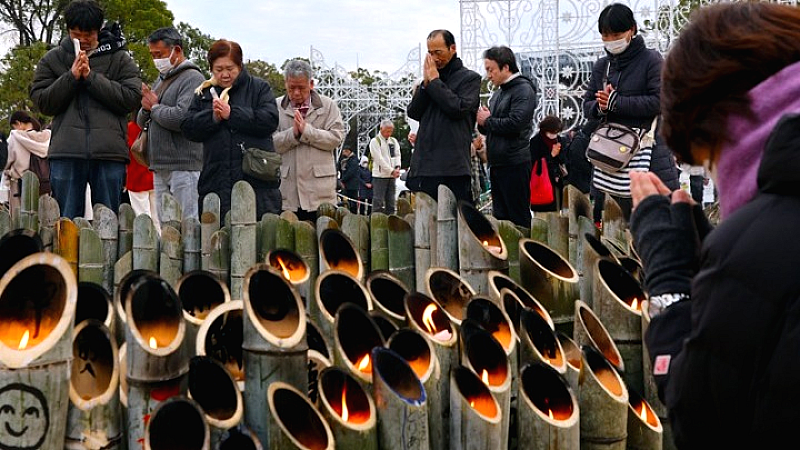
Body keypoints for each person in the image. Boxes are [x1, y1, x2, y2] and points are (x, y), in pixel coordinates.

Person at [629, 3, 800, 448]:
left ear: (725, 119)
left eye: (708, 157)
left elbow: (704, 419)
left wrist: (669, 276)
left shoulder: (763, 242)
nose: (718, 179)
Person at [30, 0, 141, 218]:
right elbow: (42, 102)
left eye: (88, 34)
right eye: (76, 34)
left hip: (109, 153)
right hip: (66, 151)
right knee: (65, 219)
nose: (82, 40)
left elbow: (131, 98)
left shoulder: (119, 58)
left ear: (99, 29)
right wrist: (71, 77)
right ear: (68, 30)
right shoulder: (53, 59)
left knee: (108, 220)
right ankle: (64, 255)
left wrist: (91, 78)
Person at [182, 39, 281, 219]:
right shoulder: (203, 92)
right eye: (219, 69)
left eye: (230, 69)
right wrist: (212, 118)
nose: (225, 74)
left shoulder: (259, 88)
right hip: (215, 181)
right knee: (216, 239)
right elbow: (188, 127)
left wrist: (232, 114)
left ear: (240, 66)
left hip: (256, 182)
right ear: (211, 68)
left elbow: (270, 120)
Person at [581, 3, 662, 222]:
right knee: (606, 221)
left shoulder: (651, 60)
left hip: (645, 154)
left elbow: (660, 101)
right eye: (605, 36)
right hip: (607, 155)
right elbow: (587, 106)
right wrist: (601, 106)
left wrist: (617, 102)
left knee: (644, 221)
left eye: (616, 34)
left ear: (632, 30)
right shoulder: (602, 66)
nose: (611, 41)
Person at [138, 27, 205, 222]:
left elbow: (181, 118)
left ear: (176, 50)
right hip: (160, 165)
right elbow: (142, 121)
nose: (156, 59)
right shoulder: (161, 79)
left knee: (188, 224)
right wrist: (145, 108)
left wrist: (155, 107)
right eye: (152, 55)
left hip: (184, 165)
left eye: (159, 54)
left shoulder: (193, 78)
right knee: (166, 226)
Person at [406, 29, 481, 204]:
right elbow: (413, 112)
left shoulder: (470, 79)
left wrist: (435, 83)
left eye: (438, 52)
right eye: (430, 53)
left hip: (453, 167)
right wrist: (425, 85)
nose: (434, 58)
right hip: (425, 164)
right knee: (426, 224)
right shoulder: (429, 79)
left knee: (457, 221)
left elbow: (458, 109)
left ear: (452, 48)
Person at [273, 59, 345, 222]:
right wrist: (294, 134)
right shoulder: (276, 106)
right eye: (292, 88)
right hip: (288, 193)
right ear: (285, 84)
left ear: (311, 84)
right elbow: (270, 143)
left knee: (322, 241)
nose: (296, 93)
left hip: (321, 193)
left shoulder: (328, 106)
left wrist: (307, 131)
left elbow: (336, 138)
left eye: (301, 88)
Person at [477, 45, 537, 227]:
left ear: (505, 67)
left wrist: (488, 121)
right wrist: (483, 122)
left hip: (515, 163)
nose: (488, 75)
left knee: (518, 217)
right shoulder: (498, 94)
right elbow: (492, 127)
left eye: (491, 69)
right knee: (501, 217)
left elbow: (516, 123)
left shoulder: (523, 89)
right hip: (497, 164)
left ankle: (523, 254)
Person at [3, 112, 51, 215]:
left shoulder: (14, 137)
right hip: (45, 186)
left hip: (19, 188)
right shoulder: (47, 137)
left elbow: (5, 161)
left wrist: (8, 172)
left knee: (21, 223)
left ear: (18, 123)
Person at [125, 120, 160, 231]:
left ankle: (146, 245)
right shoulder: (158, 125)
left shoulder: (130, 127)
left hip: (136, 178)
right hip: (155, 177)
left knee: (142, 217)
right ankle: (160, 245)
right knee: (157, 219)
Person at [529, 116, 568, 212]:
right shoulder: (536, 141)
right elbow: (534, 163)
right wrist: (551, 155)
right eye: (552, 132)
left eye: (557, 132)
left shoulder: (560, 140)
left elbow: (564, 160)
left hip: (557, 180)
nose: (554, 135)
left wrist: (559, 154)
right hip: (542, 181)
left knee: (557, 209)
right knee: (544, 211)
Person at [368, 119, 401, 214]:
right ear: (381, 128)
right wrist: (391, 170)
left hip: (391, 176)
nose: (389, 133)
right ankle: (375, 222)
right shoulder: (375, 141)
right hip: (379, 176)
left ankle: (390, 222)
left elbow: (397, 155)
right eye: (387, 131)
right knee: (378, 201)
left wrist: (397, 167)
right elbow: (378, 159)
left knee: (391, 201)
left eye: (391, 131)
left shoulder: (393, 141)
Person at [338, 147, 359, 213]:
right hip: (346, 184)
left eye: (345, 152)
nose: (343, 153)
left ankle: (353, 213)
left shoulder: (353, 160)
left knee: (352, 201)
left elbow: (351, 172)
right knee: (345, 201)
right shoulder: (344, 160)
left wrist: (343, 180)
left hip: (351, 185)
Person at [469, 132, 488, 203]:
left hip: (475, 177)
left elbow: (484, 159)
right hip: (462, 175)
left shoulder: (473, 129)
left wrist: (480, 148)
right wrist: (474, 147)